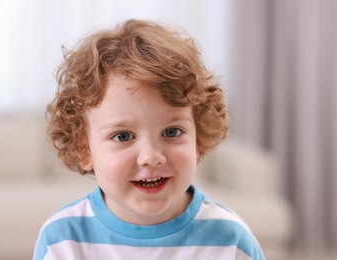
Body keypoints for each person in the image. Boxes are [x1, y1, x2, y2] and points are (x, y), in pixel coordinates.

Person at [33, 19, 265, 260]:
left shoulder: (231, 241)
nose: (152, 156)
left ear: (198, 139)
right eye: (123, 136)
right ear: (84, 150)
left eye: (172, 132)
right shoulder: (62, 239)